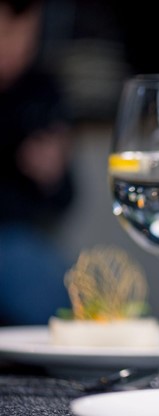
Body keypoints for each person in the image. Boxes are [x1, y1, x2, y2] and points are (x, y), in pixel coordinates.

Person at [0, 0, 74, 325]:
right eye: (4, 33)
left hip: (20, 239)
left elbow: (66, 198)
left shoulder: (41, 91)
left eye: (26, 36)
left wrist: (52, 175)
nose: (15, 47)